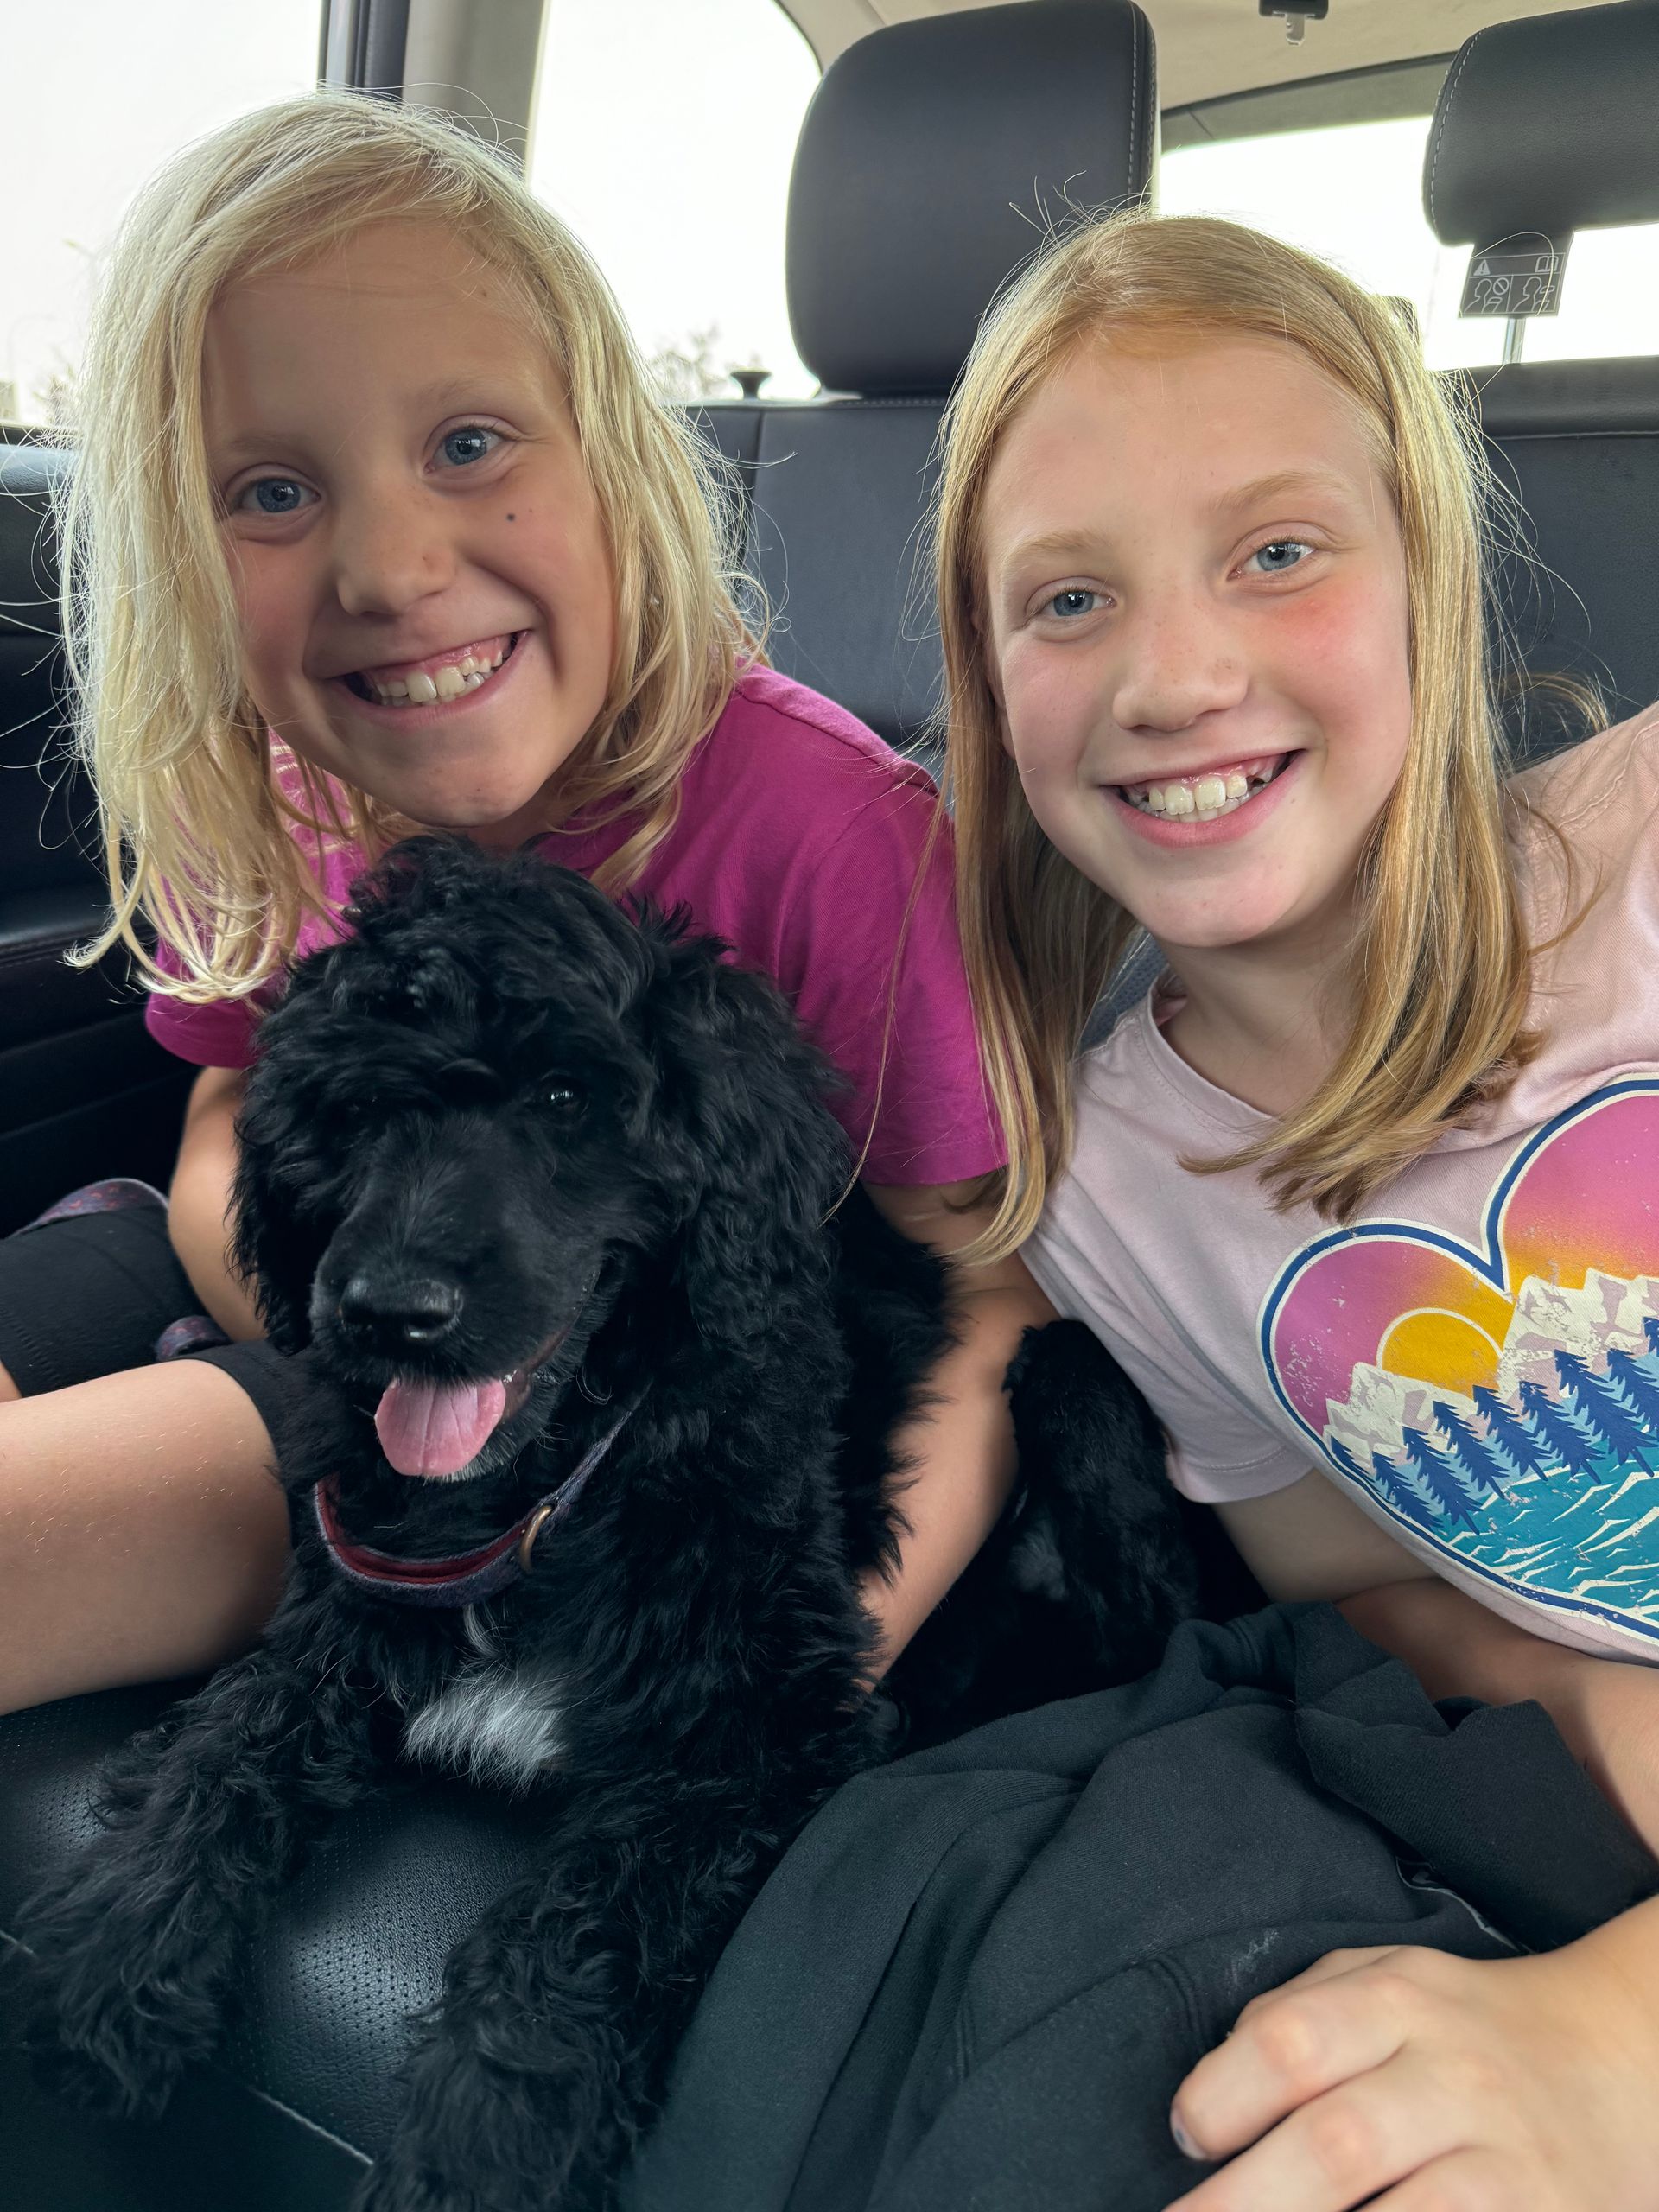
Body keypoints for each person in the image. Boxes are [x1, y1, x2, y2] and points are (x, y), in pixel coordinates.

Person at [0, 93, 1046, 1718]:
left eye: (468, 447)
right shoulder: (281, 781)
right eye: (268, 491)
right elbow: (227, 1113)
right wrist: (335, 1317)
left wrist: (805, 1660)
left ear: (616, 459)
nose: (389, 569)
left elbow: (976, 1294)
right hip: (315, 1314)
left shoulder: (832, 832)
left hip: (590, 1412)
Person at [936, 208, 1659, 2210]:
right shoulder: (1111, 1187)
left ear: (1430, 576)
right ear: (988, 680)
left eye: (1277, 551)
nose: (1175, 675)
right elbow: (1364, 1584)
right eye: (1069, 597)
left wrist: (1626, 2037)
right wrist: (1591, 1700)